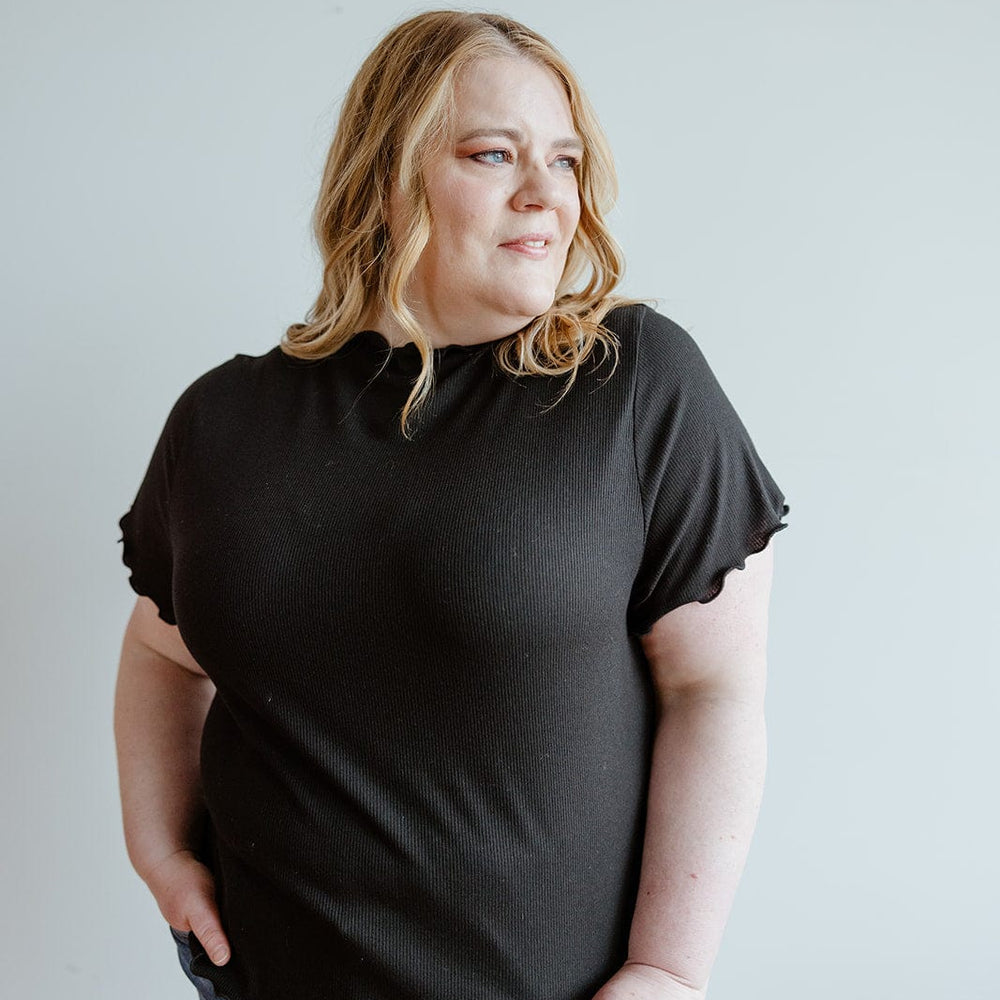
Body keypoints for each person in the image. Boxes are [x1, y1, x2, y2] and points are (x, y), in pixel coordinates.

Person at [113, 10, 789, 1000]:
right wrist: (158, 850)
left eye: (563, 161)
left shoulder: (634, 385)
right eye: (493, 153)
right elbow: (160, 651)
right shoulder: (223, 419)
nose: (544, 195)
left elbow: (714, 692)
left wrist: (668, 971)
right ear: (388, 178)